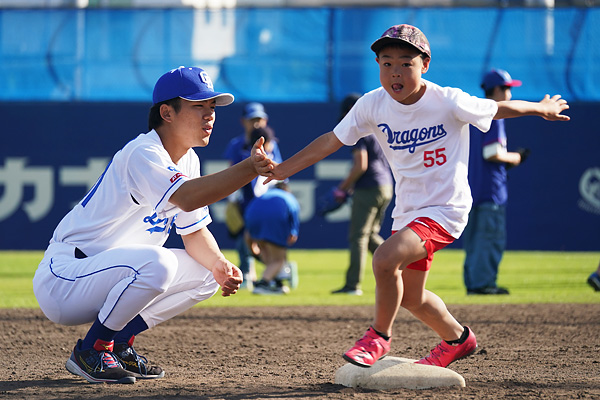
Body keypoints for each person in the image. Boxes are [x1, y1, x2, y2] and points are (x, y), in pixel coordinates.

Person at [261, 24, 569, 369]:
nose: (395, 72)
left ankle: (378, 337)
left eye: (406, 63)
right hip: (408, 212)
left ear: (425, 64)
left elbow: (496, 108)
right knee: (410, 296)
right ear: (377, 64)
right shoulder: (372, 105)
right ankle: (458, 339)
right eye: (387, 63)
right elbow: (332, 140)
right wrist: (283, 169)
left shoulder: (447, 100)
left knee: (383, 259)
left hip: (446, 209)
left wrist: (539, 108)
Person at [32, 66, 273, 384]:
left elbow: (195, 231)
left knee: (208, 273)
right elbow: (186, 197)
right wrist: (248, 168)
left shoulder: (188, 160)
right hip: (66, 279)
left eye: (212, 107)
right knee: (157, 264)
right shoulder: (143, 152)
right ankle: (91, 349)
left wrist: (219, 265)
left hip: (113, 276)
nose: (210, 116)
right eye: (198, 106)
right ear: (166, 112)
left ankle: (117, 344)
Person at [462, 69, 531, 295]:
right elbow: (492, 152)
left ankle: (474, 284)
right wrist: (516, 158)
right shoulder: (494, 113)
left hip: (471, 188)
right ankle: (483, 285)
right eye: (508, 88)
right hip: (490, 190)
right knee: (489, 240)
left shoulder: (472, 114)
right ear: (498, 90)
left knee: (474, 243)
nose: (510, 93)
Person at [331, 93, 394, 296]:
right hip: (385, 185)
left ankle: (352, 285)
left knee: (358, 236)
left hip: (369, 187)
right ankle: (398, 264)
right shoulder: (374, 126)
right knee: (370, 234)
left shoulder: (357, 127)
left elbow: (361, 164)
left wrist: (343, 187)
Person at [223, 102, 283, 287]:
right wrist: (232, 198)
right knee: (243, 240)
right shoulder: (237, 145)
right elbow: (230, 172)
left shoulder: (272, 143)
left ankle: (277, 271)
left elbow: (280, 175)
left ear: (265, 120)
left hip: (265, 202)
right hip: (245, 201)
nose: (256, 124)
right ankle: (249, 273)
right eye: (252, 120)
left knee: (265, 242)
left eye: (259, 120)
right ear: (244, 122)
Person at [244, 176, 300, 295]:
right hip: (274, 222)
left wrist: (252, 250)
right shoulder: (288, 197)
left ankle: (275, 283)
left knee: (268, 256)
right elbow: (293, 231)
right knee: (278, 259)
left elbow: (247, 231)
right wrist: (292, 234)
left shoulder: (263, 196)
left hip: (253, 221)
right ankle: (263, 283)